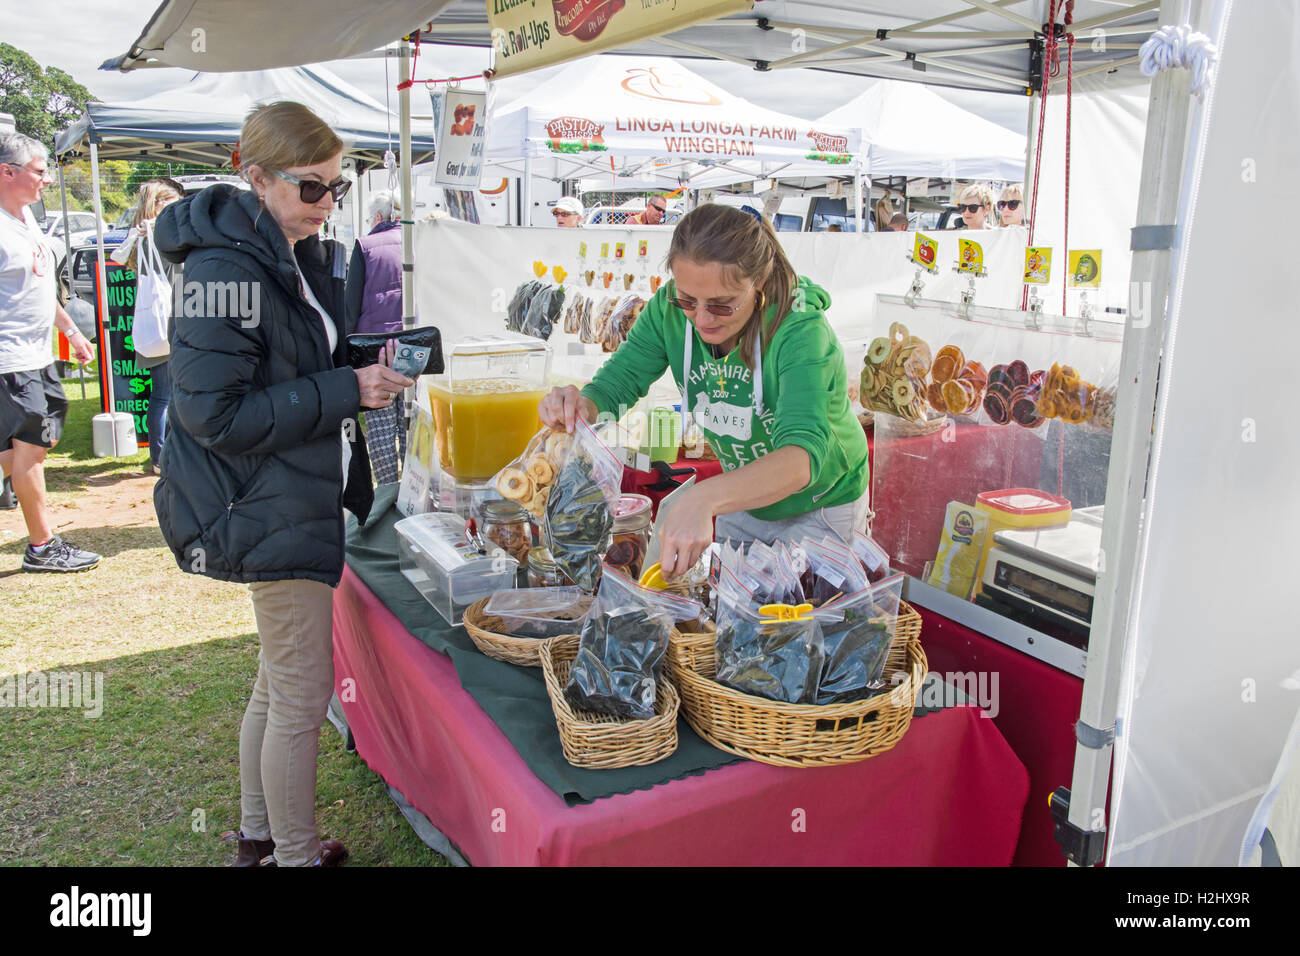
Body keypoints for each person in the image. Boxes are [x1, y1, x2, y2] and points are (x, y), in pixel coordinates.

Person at [152, 101, 413, 867]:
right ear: (255, 176)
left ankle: (260, 841)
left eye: (338, 186)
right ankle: (291, 856)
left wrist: (356, 370)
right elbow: (212, 414)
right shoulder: (223, 268)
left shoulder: (280, 252)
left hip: (284, 497)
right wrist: (348, 391)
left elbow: (285, 368)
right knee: (298, 695)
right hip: (265, 505)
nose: (329, 202)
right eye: (312, 187)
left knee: (278, 684)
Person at [539, 204, 870, 580]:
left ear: (757, 283)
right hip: (741, 497)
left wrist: (704, 498)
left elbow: (800, 459)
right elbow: (619, 381)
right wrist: (582, 404)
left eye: (721, 305)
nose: (701, 319)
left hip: (822, 503)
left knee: (802, 624)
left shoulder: (800, 329)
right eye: (687, 301)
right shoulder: (667, 312)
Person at [0, 133, 100, 572]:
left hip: (37, 355)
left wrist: (72, 333)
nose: (47, 179)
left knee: (29, 446)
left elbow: (41, 288)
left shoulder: (26, 220)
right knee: (31, 449)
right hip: (11, 358)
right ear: (7, 173)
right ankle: (42, 546)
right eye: (39, 171)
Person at [116, 177, 184, 475]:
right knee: (167, 396)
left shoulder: (140, 237)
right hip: (169, 323)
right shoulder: (158, 235)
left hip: (156, 326)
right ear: (158, 203)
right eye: (173, 202)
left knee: (161, 394)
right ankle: (160, 457)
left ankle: (159, 455)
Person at [344, 189, 406, 485]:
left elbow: (350, 305)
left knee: (381, 433)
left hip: (374, 353)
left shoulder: (365, 246)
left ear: (379, 217)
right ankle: (413, 494)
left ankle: (388, 494)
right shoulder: (417, 242)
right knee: (412, 428)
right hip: (415, 348)